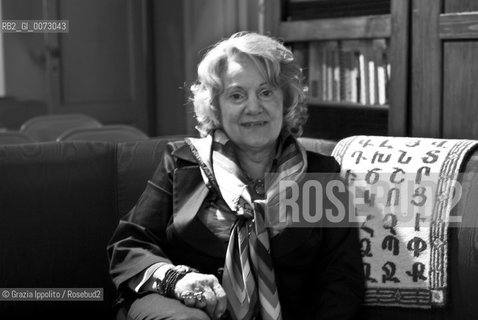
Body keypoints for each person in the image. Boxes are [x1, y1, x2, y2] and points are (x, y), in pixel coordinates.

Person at [107, 31, 364, 320]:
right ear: (215, 106)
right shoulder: (182, 163)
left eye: (266, 92)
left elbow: (342, 278)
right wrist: (174, 280)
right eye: (237, 95)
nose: (254, 107)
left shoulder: (319, 176)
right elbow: (130, 243)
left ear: (286, 99)